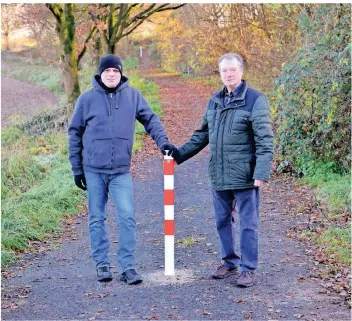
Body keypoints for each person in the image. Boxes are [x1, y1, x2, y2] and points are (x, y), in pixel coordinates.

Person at [171, 53, 274, 287]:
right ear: (220, 73)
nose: (229, 74)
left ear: (241, 71)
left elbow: (265, 140)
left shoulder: (255, 100)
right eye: (224, 71)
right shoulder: (215, 101)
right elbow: (202, 134)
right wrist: (180, 153)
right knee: (221, 221)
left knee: (248, 224)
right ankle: (229, 262)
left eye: (233, 70)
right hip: (219, 174)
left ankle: (248, 269)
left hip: (245, 176)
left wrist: (261, 172)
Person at [68, 54, 173, 284]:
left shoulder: (132, 96)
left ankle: (127, 267)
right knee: (96, 218)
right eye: (107, 71)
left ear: (120, 73)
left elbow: (151, 119)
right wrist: (77, 169)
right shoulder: (86, 100)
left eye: (115, 71)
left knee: (126, 217)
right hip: (93, 170)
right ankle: (102, 265)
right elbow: (74, 133)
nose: (111, 75)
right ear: (100, 74)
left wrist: (163, 142)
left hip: (120, 171)